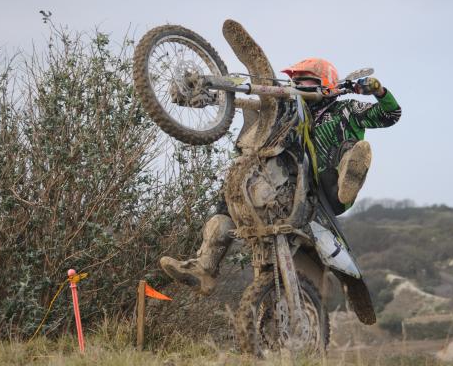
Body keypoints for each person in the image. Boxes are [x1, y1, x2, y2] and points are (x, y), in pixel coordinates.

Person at [159, 58, 401, 294]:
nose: (297, 86)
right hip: (294, 190)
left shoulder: (346, 109)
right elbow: (246, 102)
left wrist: (378, 91)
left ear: (325, 83)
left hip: (329, 185)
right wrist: (201, 96)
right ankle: (204, 268)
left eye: (304, 81)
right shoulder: (288, 112)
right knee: (233, 189)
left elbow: (391, 115)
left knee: (352, 149)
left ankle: (350, 174)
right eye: (294, 81)